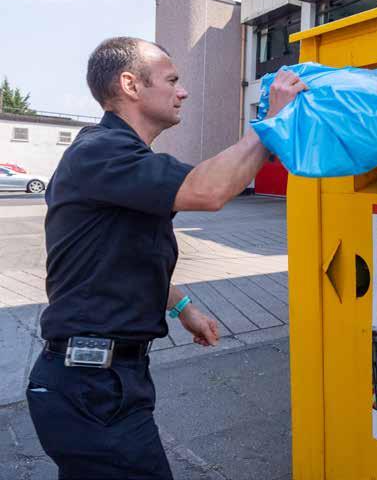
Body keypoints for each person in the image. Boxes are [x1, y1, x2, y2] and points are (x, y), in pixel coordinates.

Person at [25, 36, 307, 479]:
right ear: (130, 85)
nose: (183, 91)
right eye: (172, 80)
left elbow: (125, 258)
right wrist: (272, 122)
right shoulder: (101, 152)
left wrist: (183, 308)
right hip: (91, 387)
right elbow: (208, 190)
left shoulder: (116, 159)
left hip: (101, 383)